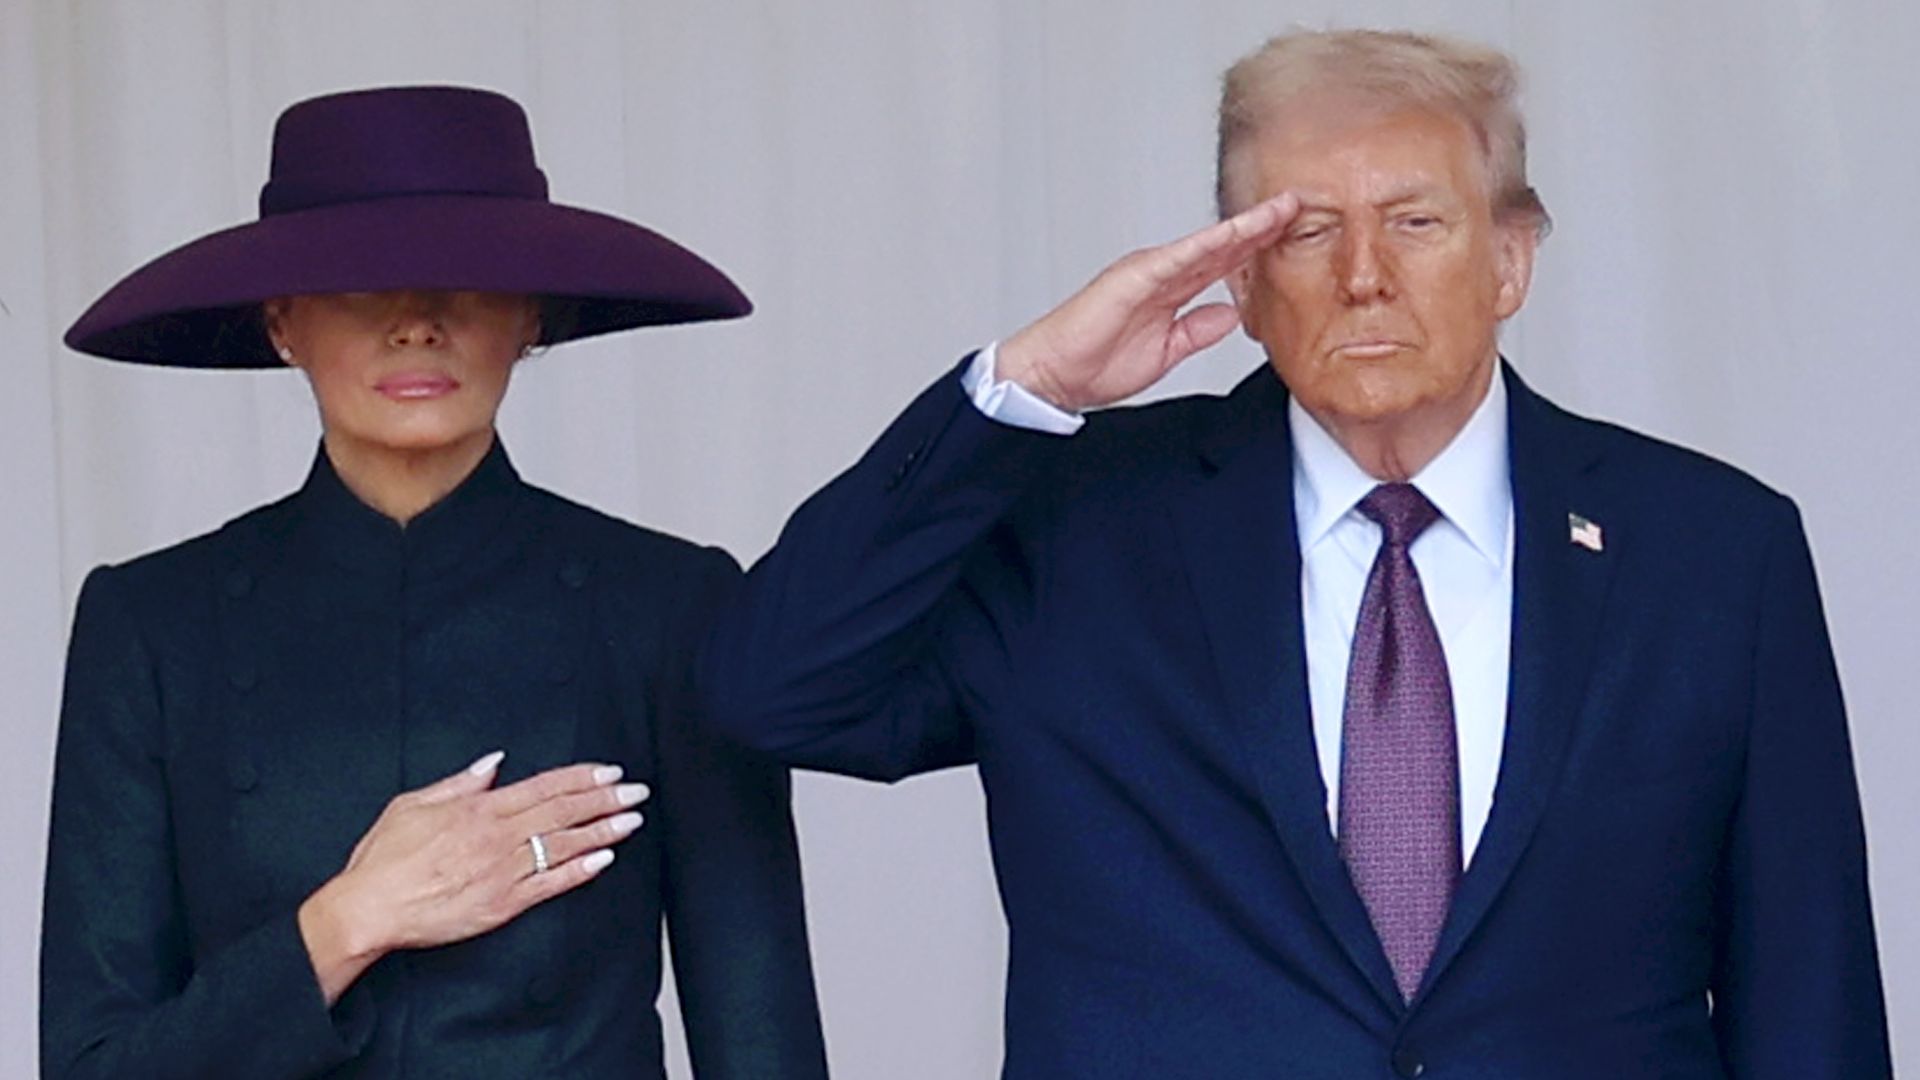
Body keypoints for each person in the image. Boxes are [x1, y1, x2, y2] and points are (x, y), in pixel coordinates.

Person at [702, 29, 1891, 1077]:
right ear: (1242, 280)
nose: (1363, 276)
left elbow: (1809, 996)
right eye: (1307, 231)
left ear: (1512, 259)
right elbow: (773, 690)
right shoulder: (1076, 522)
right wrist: (1025, 389)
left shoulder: (1713, 551)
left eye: (1417, 222)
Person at [42, 86, 827, 1079]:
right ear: (282, 321)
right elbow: (92, 1063)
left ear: (530, 316)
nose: (417, 322)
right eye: (360, 282)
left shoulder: (671, 606)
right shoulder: (150, 626)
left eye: (467, 279)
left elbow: (762, 1039)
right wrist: (349, 921)